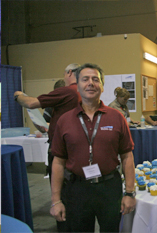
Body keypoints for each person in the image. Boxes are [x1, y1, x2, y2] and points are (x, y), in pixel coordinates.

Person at [50, 63, 136, 232]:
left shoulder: (116, 117)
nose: (90, 83)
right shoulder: (65, 120)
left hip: (109, 188)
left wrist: (129, 193)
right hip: (77, 189)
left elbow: (127, 156)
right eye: (85, 79)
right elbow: (58, 162)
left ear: (102, 87)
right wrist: (56, 200)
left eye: (96, 79)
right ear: (78, 86)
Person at [14, 63, 81, 181]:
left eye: (64, 74)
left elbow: (30, 103)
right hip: (76, 147)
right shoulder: (83, 93)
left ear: (69, 72)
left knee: (60, 183)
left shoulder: (67, 91)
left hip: (61, 148)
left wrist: (18, 96)